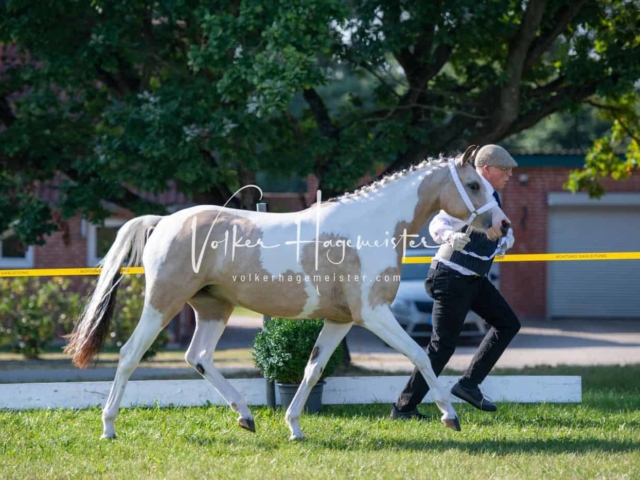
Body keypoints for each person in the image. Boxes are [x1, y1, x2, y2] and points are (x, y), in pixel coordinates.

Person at [390, 144, 521, 420]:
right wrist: (451, 238)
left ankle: (469, 384)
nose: (510, 173)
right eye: (505, 169)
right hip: (451, 275)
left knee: (508, 323)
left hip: (473, 277)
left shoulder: (490, 196)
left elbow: (504, 230)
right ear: (486, 169)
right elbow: (438, 225)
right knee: (442, 347)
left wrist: (505, 240)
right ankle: (403, 408)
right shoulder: (468, 191)